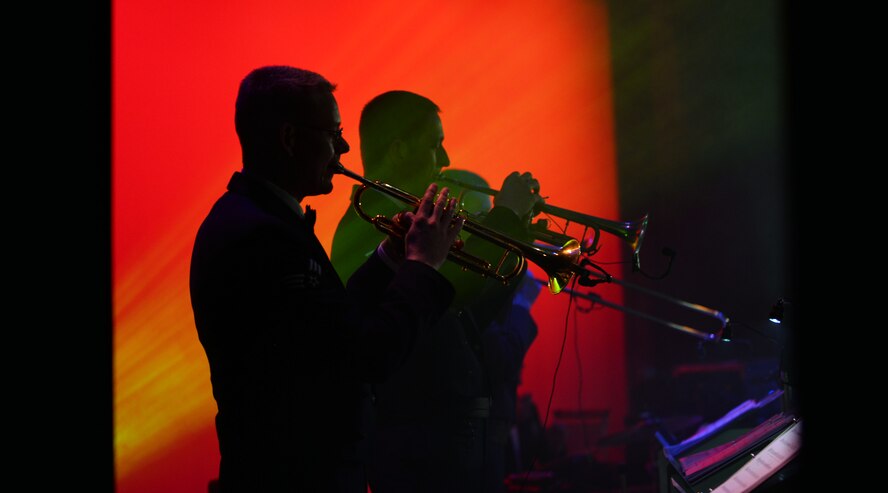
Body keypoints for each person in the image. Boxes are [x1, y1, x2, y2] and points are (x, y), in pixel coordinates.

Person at [189, 66, 465, 493]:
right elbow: (365, 356)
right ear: (290, 139)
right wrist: (423, 264)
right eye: (333, 133)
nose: (345, 146)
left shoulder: (262, 221)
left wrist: (390, 258)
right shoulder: (260, 236)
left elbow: (331, 324)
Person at [330, 90, 543, 493]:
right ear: (398, 150)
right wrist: (505, 219)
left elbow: (463, 314)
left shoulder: (414, 221)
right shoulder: (373, 221)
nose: (445, 160)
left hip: (450, 433)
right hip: (420, 444)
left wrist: (514, 244)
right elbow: (442, 297)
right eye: (435, 145)